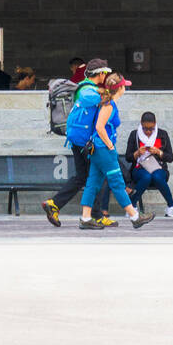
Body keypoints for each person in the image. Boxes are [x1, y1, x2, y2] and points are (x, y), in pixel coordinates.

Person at [78, 73, 155, 230]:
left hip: (97, 150)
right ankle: (134, 216)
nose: (125, 87)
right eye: (124, 85)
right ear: (119, 88)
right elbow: (100, 127)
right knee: (117, 182)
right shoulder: (109, 105)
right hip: (104, 150)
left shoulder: (107, 103)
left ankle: (85, 218)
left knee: (93, 182)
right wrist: (110, 146)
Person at [42, 58, 113, 227]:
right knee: (96, 175)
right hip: (83, 142)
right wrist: (111, 93)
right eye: (106, 73)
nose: (106, 76)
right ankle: (94, 216)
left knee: (84, 177)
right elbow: (92, 99)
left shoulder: (87, 87)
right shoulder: (87, 89)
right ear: (100, 73)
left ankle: (55, 204)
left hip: (78, 140)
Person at [125, 111, 173, 216]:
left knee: (156, 176)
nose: (148, 132)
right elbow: (128, 157)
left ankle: (172, 207)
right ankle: (132, 207)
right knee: (146, 177)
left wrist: (158, 152)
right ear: (141, 124)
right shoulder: (135, 134)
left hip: (158, 168)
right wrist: (137, 153)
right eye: (145, 129)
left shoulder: (162, 134)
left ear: (155, 124)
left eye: (151, 129)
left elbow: (170, 158)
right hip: (139, 168)